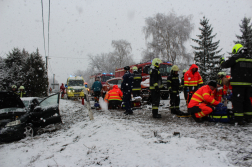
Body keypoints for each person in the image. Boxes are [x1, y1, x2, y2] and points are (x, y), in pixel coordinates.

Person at [220, 44, 252, 124]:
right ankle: (248, 117)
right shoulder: (250, 58)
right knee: (247, 100)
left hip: (238, 84)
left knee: (238, 101)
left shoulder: (236, 57)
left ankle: (238, 119)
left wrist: (222, 61)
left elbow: (225, 65)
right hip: (248, 84)